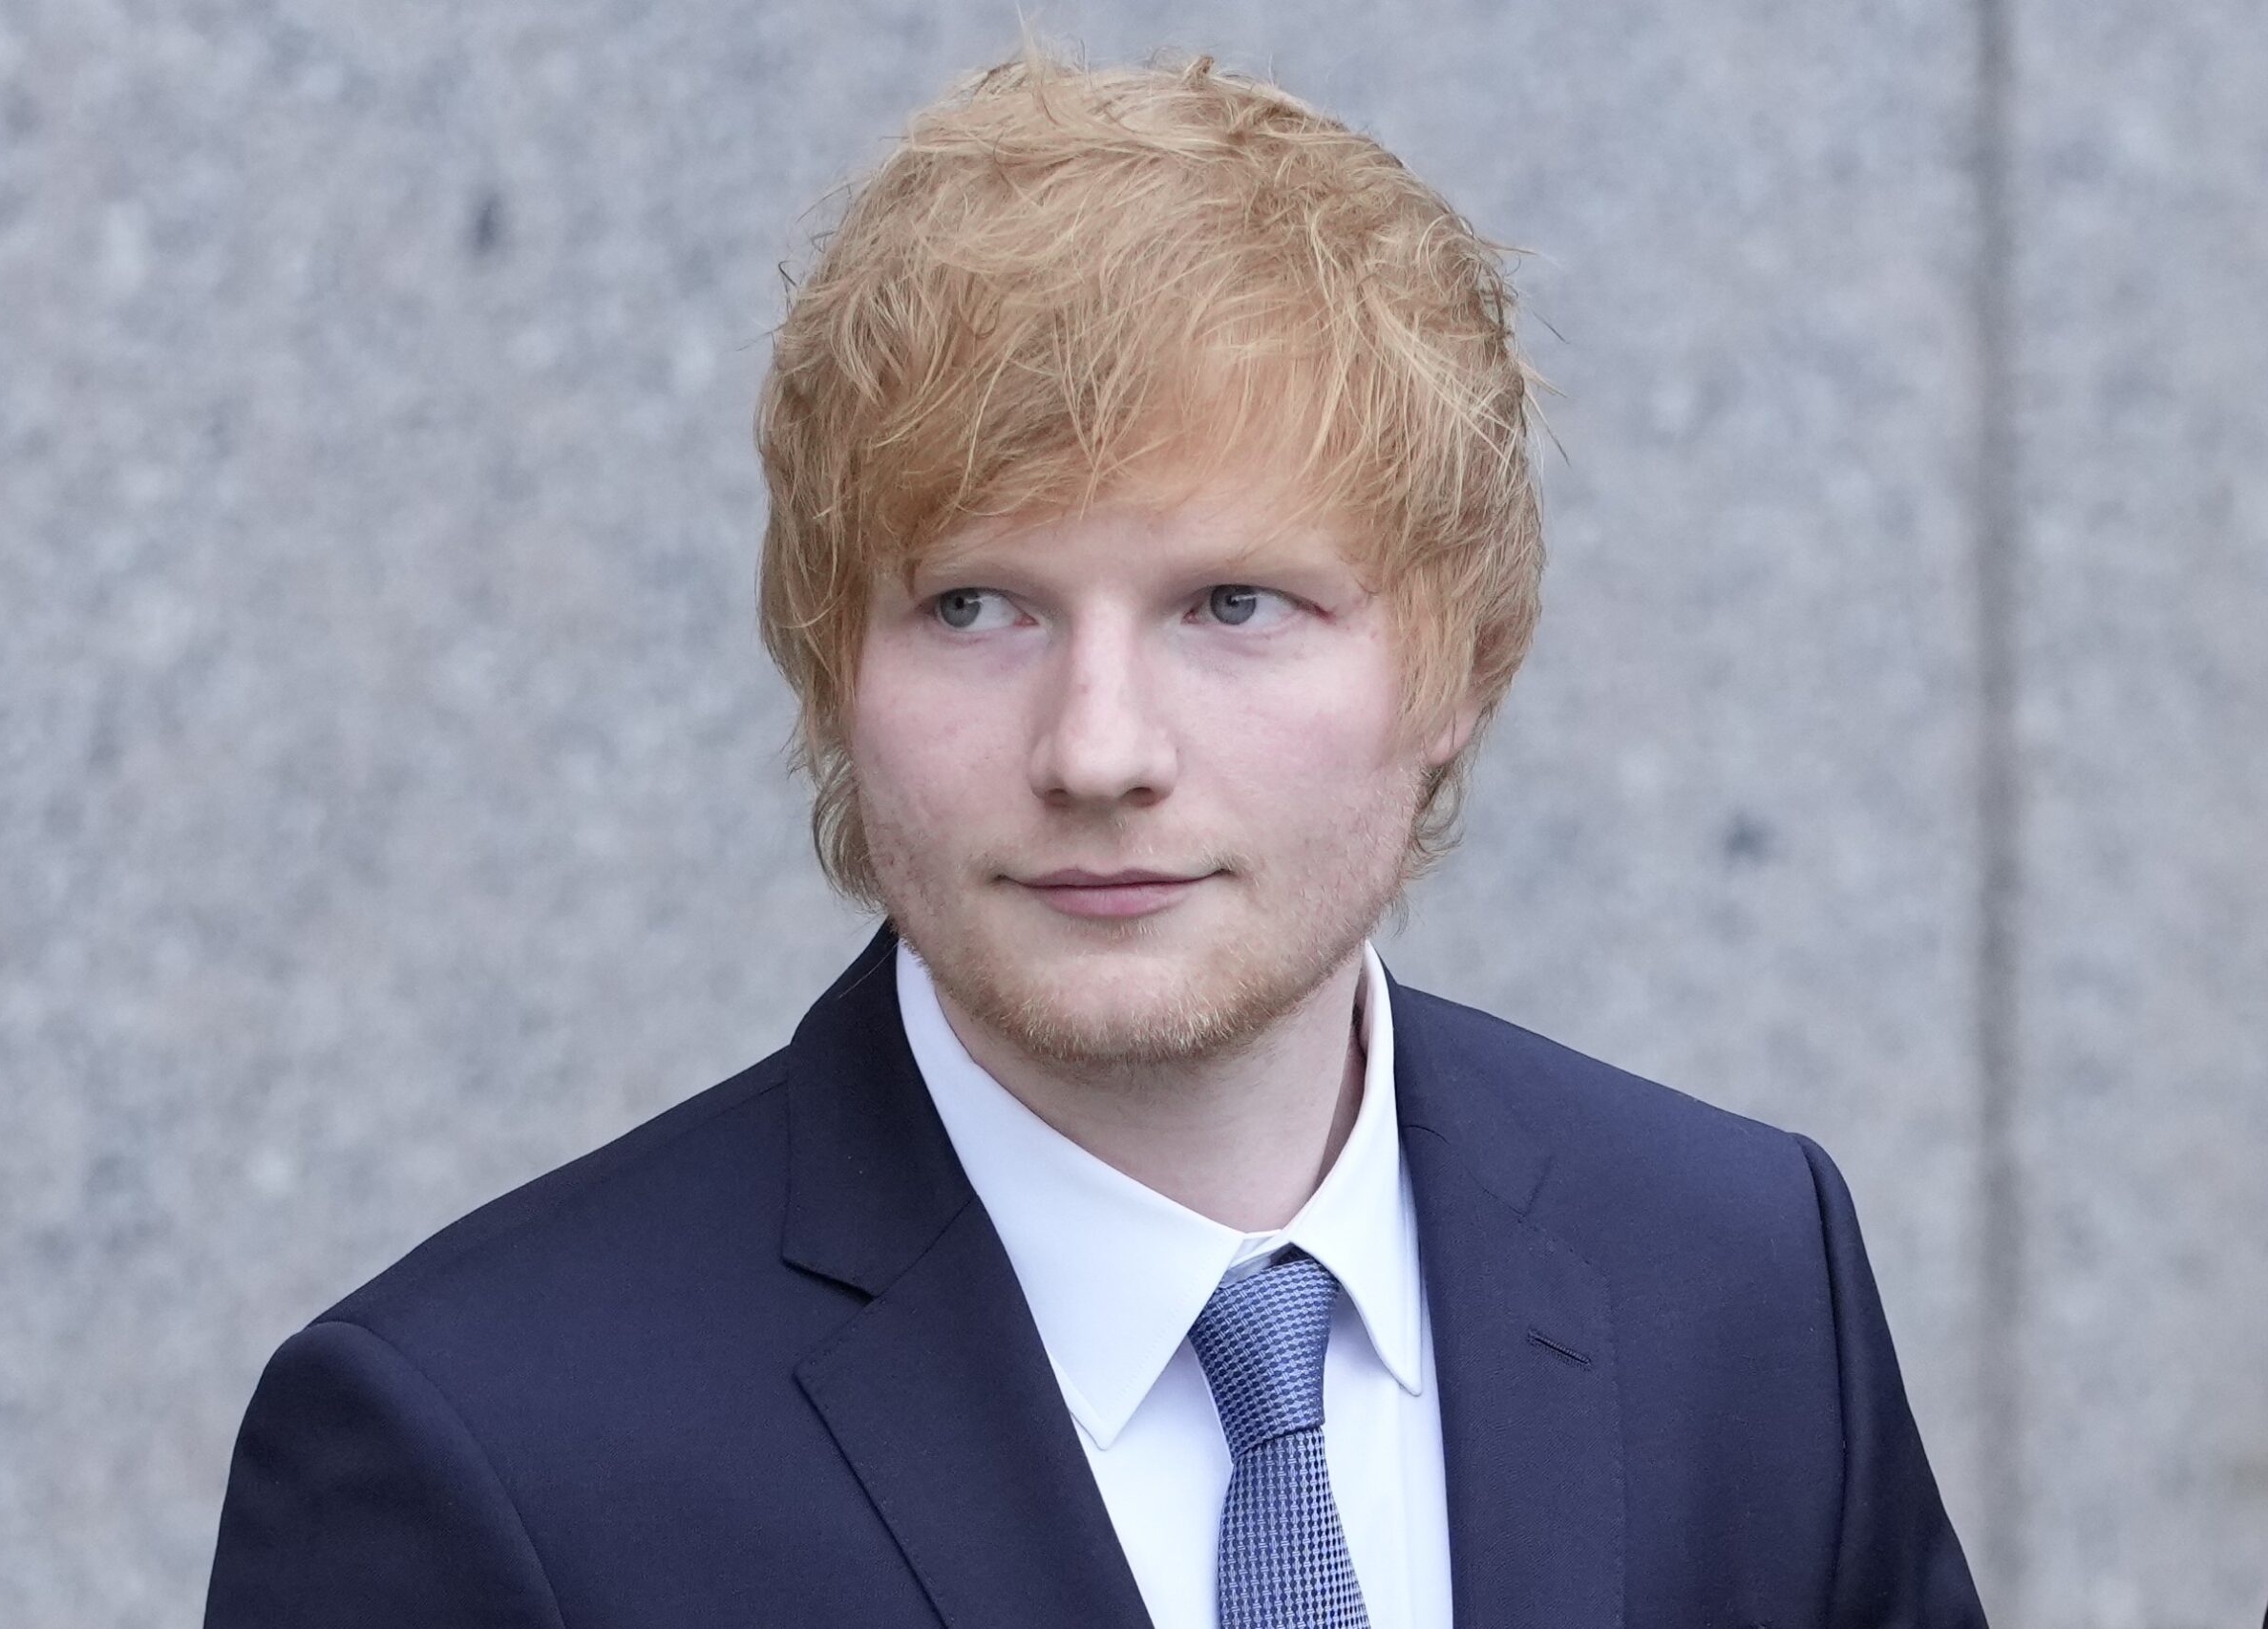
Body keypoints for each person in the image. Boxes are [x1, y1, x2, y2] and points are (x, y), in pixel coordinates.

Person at [202, 37, 1987, 1629]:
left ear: (1462, 664)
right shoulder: (483, 1443)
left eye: (1233, 603)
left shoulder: (1745, 1281)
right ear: (833, 668)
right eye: (976, 605)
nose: (1099, 749)